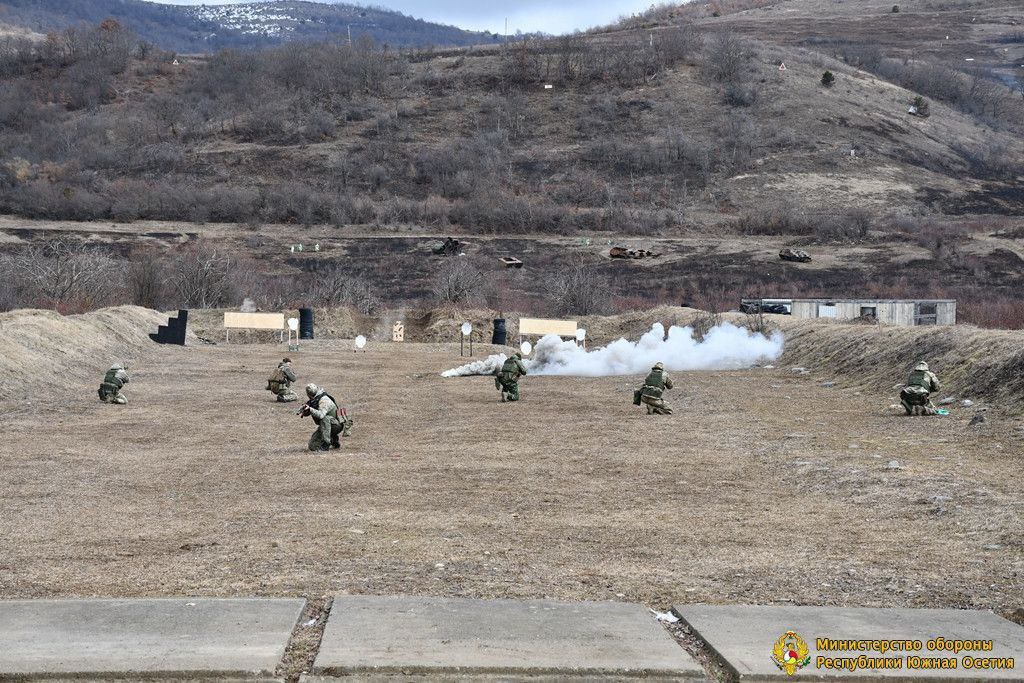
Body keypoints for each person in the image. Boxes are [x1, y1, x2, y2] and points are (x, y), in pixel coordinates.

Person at [299, 383, 353, 451]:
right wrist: (306, 412)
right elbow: (312, 412)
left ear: (308, 395)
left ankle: (326, 443)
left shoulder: (324, 400)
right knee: (312, 446)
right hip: (326, 426)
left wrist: (310, 409)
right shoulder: (314, 400)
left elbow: (321, 415)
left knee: (325, 418)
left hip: (337, 425)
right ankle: (333, 439)